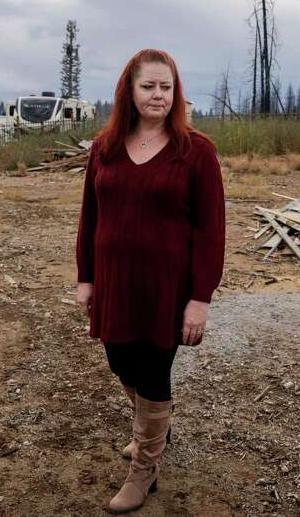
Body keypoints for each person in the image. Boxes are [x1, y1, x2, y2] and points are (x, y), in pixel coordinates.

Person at [75, 49, 225, 514]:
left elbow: (211, 229)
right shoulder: (105, 147)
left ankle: (145, 470)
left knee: (153, 371)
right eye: (148, 86)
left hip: (167, 287)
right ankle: (155, 427)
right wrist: (86, 278)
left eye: (166, 86)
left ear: (176, 92)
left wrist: (200, 298)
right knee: (121, 363)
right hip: (115, 281)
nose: (158, 95)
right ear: (130, 91)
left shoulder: (196, 151)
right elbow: (90, 217)